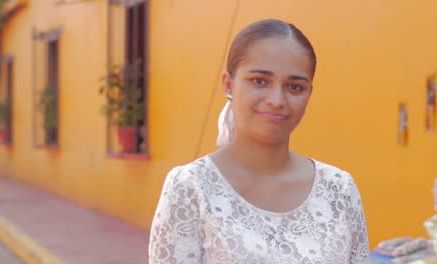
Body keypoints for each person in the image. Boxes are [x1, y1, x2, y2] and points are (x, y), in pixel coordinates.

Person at [149, 18, 370, 263]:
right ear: (229, 84)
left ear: (309, 93)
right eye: (260, 81)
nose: (276, 99)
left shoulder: (338, 190)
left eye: (294, 87)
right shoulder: (191, 188)